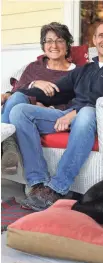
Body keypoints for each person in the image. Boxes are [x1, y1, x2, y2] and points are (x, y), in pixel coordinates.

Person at [9, 19, 103, 211]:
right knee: (20, 111)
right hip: (72, 117)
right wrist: (25, 88)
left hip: (100, 120)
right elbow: (54, 90)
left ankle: (57, 188)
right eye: (101, 35)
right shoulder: (84, 70)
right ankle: (38, 183)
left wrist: (75, 113)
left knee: (86, 112)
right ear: (94, 40)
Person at [1, 22, 75, 174]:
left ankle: (6, 145)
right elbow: (16, 91)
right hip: (23, 110)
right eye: (48, 40)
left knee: (18, 105)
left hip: (57, 116)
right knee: (16, 99)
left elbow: (79, 102)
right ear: (43, 45)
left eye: (59, 40)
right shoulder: (34, 67)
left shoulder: (78, 72)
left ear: (67, 44)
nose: (53, 45)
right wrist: (35, 83)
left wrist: (49, 108)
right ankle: (9, 146)